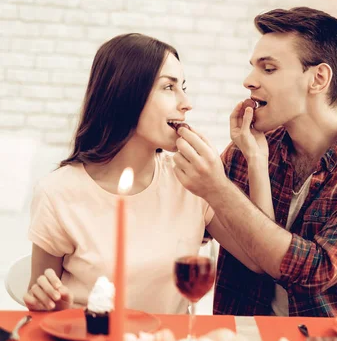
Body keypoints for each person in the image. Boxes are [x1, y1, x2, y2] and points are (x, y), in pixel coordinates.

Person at [174, 7, 337, 317]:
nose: (249, 81)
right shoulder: (248, 149)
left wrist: (218, 189)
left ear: (318, 78)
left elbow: (317, 271)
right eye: (253, 68)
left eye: (268, 69)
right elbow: (196, 224)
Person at [24, 33, 215, 314]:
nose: (186, 103)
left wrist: (249, 163)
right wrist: (56, 306)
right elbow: (39, 298)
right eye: (168, 87)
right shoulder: (57, 192)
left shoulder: (191, 180)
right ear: (127, 94)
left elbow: (259, 259)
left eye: (182, 87)